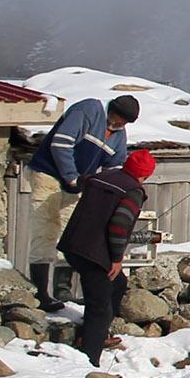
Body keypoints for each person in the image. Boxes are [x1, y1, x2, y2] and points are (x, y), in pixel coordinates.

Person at [25, 92, 140, 308]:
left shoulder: (118, 134)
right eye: (120, 120)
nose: (120, 125)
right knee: (46, 229)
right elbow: (61, 144)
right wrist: (72, 176)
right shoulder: (88, 111)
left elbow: (113, 167)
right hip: (49, 174)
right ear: (113, 112)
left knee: (72, 233)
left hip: (77, 183)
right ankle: (40, 292)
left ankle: (63, 289)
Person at [60, 149, 155, 363]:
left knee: (117, 283)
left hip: (73, 245)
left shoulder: (102, 177)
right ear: (145, 175)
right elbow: (119, 226)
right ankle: (88, 361)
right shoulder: (132, 190)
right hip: (95, 254)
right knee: (99, 308)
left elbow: (83, 181)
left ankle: (97, 334)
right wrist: (116, 258)